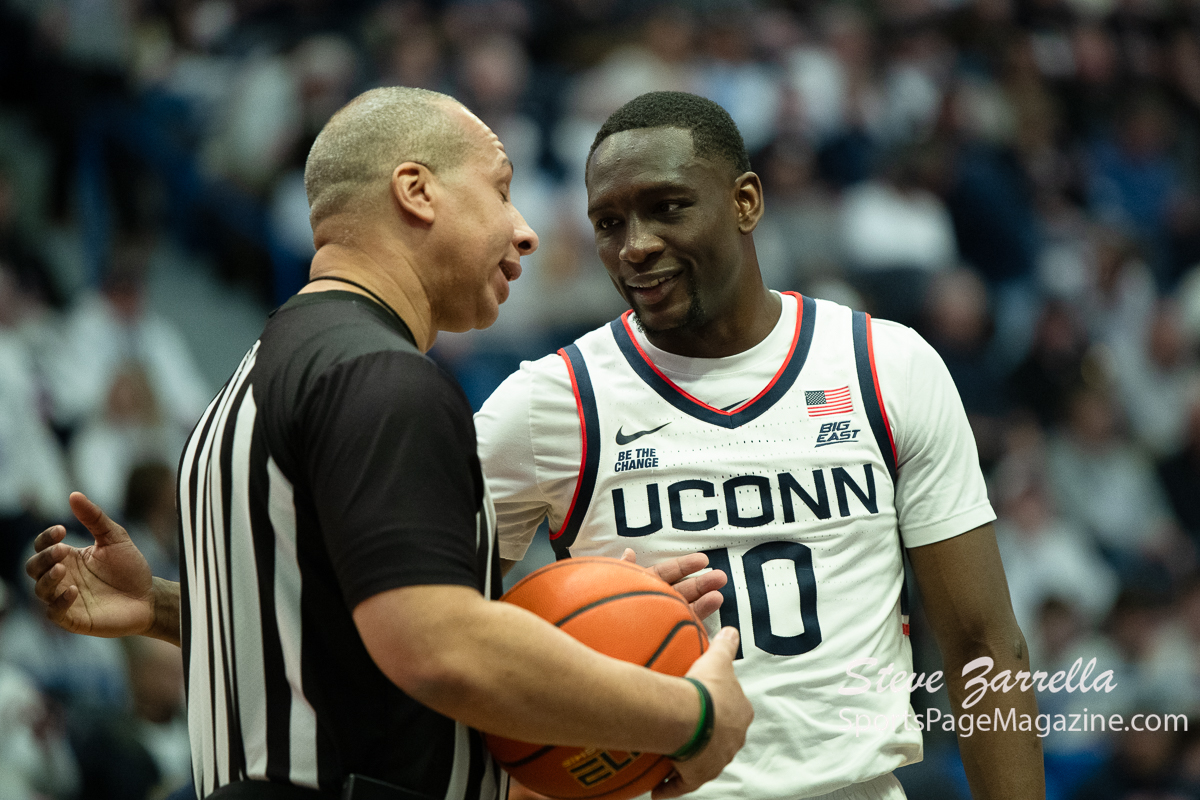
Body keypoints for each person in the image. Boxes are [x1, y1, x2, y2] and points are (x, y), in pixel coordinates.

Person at [24, 87, 753, 800]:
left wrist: (159, 605)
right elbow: (439, 650)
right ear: (417, 191)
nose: (525, 230)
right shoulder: (382, 378)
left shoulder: (259, 376)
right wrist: (689, 717)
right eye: (501, 192)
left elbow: (316, 632)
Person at [474, 92, 1045, 799]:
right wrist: (566, 652)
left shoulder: (885, 365)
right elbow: (428, 627)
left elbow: (983, 643)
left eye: (667, 207)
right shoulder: (552, 401)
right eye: (609, 222)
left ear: (745, 202)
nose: (635, 245)